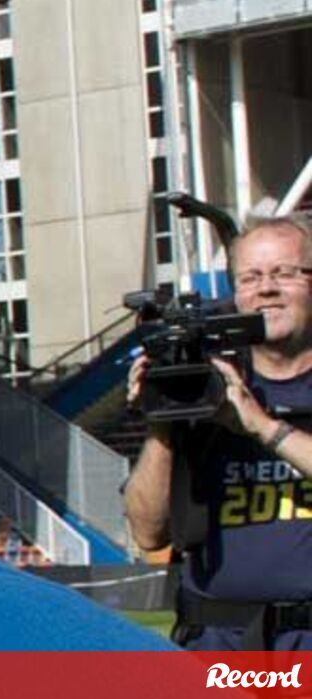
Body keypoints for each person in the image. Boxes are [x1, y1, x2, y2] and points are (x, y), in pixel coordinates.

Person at [124, 215, 312, 650]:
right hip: (219, 646)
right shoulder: (205, 387)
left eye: (284, 272)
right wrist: (162, 417)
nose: (266, 289)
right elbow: (148, 533)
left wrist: (263, 427)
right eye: (250, 277)